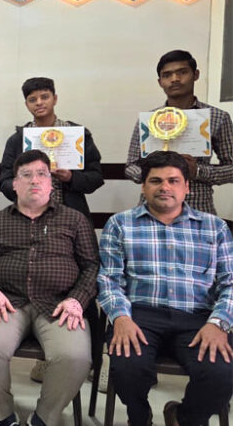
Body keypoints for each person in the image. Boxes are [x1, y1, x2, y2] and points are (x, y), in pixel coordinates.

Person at [98, 151, 232, 426]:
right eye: (156, 181)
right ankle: (139, 417)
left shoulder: (215, 228)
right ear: (144, 186)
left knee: (221, 373)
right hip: (139, 315)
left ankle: (182, 418)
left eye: (173, 180)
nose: (165, 187)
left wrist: (219, 323)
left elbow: (230, 282)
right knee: (126, 368)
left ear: (187, 187)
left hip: (198, 318)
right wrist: (120, 318)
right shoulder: (120, 224)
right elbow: (109, 279)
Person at [0, 150, 99, 426]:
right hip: (8, 303)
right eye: (26, 175)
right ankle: (3, 417)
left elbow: (92, 266)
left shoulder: (75, 220)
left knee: (75, 356)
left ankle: (43, 418)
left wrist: (77, 300)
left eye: (42, 174)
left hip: (59, 305)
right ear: (14, 184)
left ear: (51, 182)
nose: (35, 180)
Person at [125, 50, 233, 215]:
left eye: (182, 72)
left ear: (195, 75)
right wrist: (152, 173)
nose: (175, 79)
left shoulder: (217, 117)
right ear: (160, 82)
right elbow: (131, 166)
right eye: (167, 75)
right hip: (152, 209)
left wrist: (198, 171)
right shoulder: (149, 120)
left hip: (198, 209)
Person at [0, 77, 104, 219]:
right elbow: (4, 182)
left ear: (55, 99)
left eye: (44, 97)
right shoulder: (17, 140)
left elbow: (96, 177)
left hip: (71, 216)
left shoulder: (77, 135)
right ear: (26, 104)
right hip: (28, 216)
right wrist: (23, 185)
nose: (39, 103)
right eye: (32, 100)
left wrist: (71, 178)